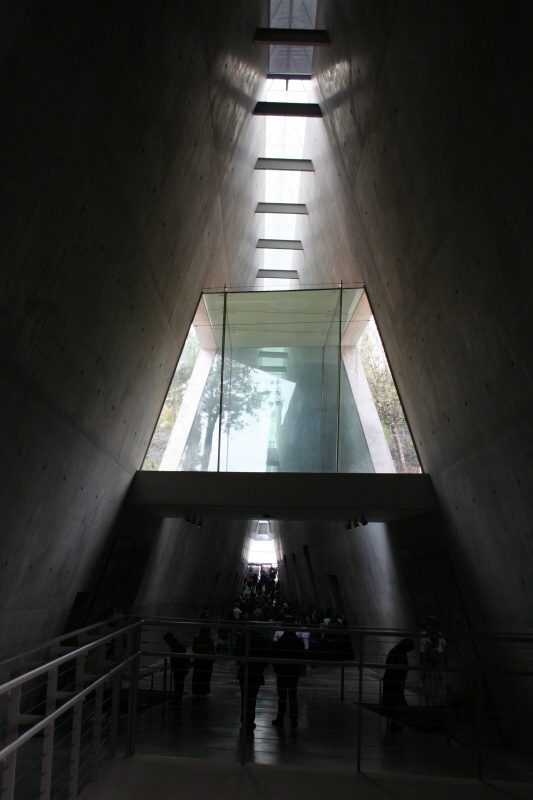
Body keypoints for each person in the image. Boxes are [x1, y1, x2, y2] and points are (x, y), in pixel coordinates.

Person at [271, 620, 306, 729]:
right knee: (292, 695)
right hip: (293, 672)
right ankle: (294, 719)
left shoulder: (281, 641)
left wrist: (276, 669)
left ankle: (280, 717)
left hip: (282, 672)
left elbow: (275, 656)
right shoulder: (298, 642)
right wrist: (301, 670)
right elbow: (302, 657)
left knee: (282, 696)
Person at [234, 628, 267, 729]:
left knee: (245, 698)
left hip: (244, 675)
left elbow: (238, 659)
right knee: (252, 699)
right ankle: (250, 720)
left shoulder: (246, 648)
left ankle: (244, 720)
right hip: (256, 676)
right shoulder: (261, 651)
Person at [381, 638, 415, 732]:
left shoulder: (396, 651)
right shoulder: (399, 653)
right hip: (394, 681)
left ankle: (393, 722)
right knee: (394, 701)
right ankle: (394, 722)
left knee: (392, 702)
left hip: (392, 681)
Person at [163, 632, 192, 706]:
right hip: (181, 668)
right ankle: (178, 700)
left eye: (166, 641)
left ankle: (177, 700)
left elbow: (177, 658)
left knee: (178, 685)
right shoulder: (178, 645)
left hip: (179, 668)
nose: (166, 643)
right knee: (179, 685)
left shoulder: (175, 646)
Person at [191, 626, 215, 698]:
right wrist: (213, 658)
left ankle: (197, 691)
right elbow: (213, 649)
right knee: (206, 677)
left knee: (197, 677)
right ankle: (204, 691)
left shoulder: (197, 638)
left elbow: (194, 648)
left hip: (199, 659)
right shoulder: (210, 639)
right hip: (208, 660)